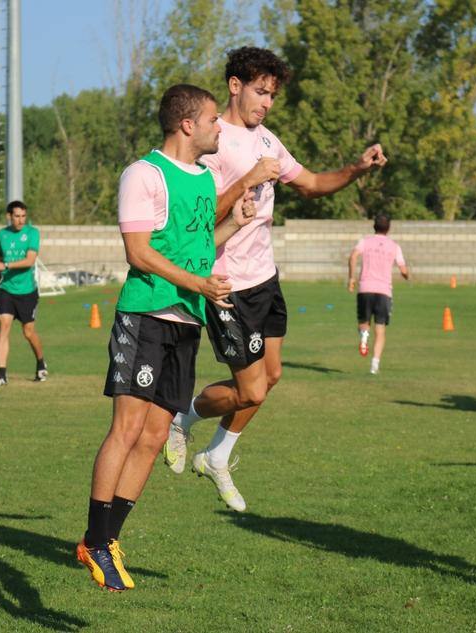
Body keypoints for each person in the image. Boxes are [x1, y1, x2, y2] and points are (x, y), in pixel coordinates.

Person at [163, 47, 387, 511]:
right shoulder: (211, 139)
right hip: (225, 285)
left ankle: (218, 455)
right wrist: (246, 180)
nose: (266, 103)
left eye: (272, 96)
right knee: (251, 389)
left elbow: (312, 184)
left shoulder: (269, 141)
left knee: (274, 375)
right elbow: (200, 221)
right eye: (260, 92)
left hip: (265, 279)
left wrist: (356, 169)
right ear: (234, 86)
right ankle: (181, 418)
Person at [76, 84, 255, 592]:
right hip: (147, 315)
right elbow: (138, 252)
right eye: (214, 119)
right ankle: (96, 539)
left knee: (155, 438)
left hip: (187, 323)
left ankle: (104, 541)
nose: (221, 126)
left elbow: (197, 248)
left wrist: (233, 228)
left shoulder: (203, 180)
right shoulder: (144, 175)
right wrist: (198, 282)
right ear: (187, 125)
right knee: (127, 429)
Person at [0, 201, 46, 386]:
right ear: (9, 216)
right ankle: (2, 374)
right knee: (4, 324)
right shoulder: (2, 234)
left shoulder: (32, 233)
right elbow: (1, 259)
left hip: (27, 291)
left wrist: (4, 266)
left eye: (23, 216)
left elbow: (29, 261)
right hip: (7, 290)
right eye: (17, 216)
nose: (20, 220)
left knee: (28, 332)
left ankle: (41, 362)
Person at [347, 213, 409, 375]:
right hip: (384, 291)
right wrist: (406, 275)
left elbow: (353, 256)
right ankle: (375, 365)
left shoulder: (365, 241)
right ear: (388, 228)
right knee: (380, 329)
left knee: (364, 322)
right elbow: (403, 269)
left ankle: (364, 337)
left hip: (365, 288)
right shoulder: (394, 246)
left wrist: (351, 278)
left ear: (374, 226)